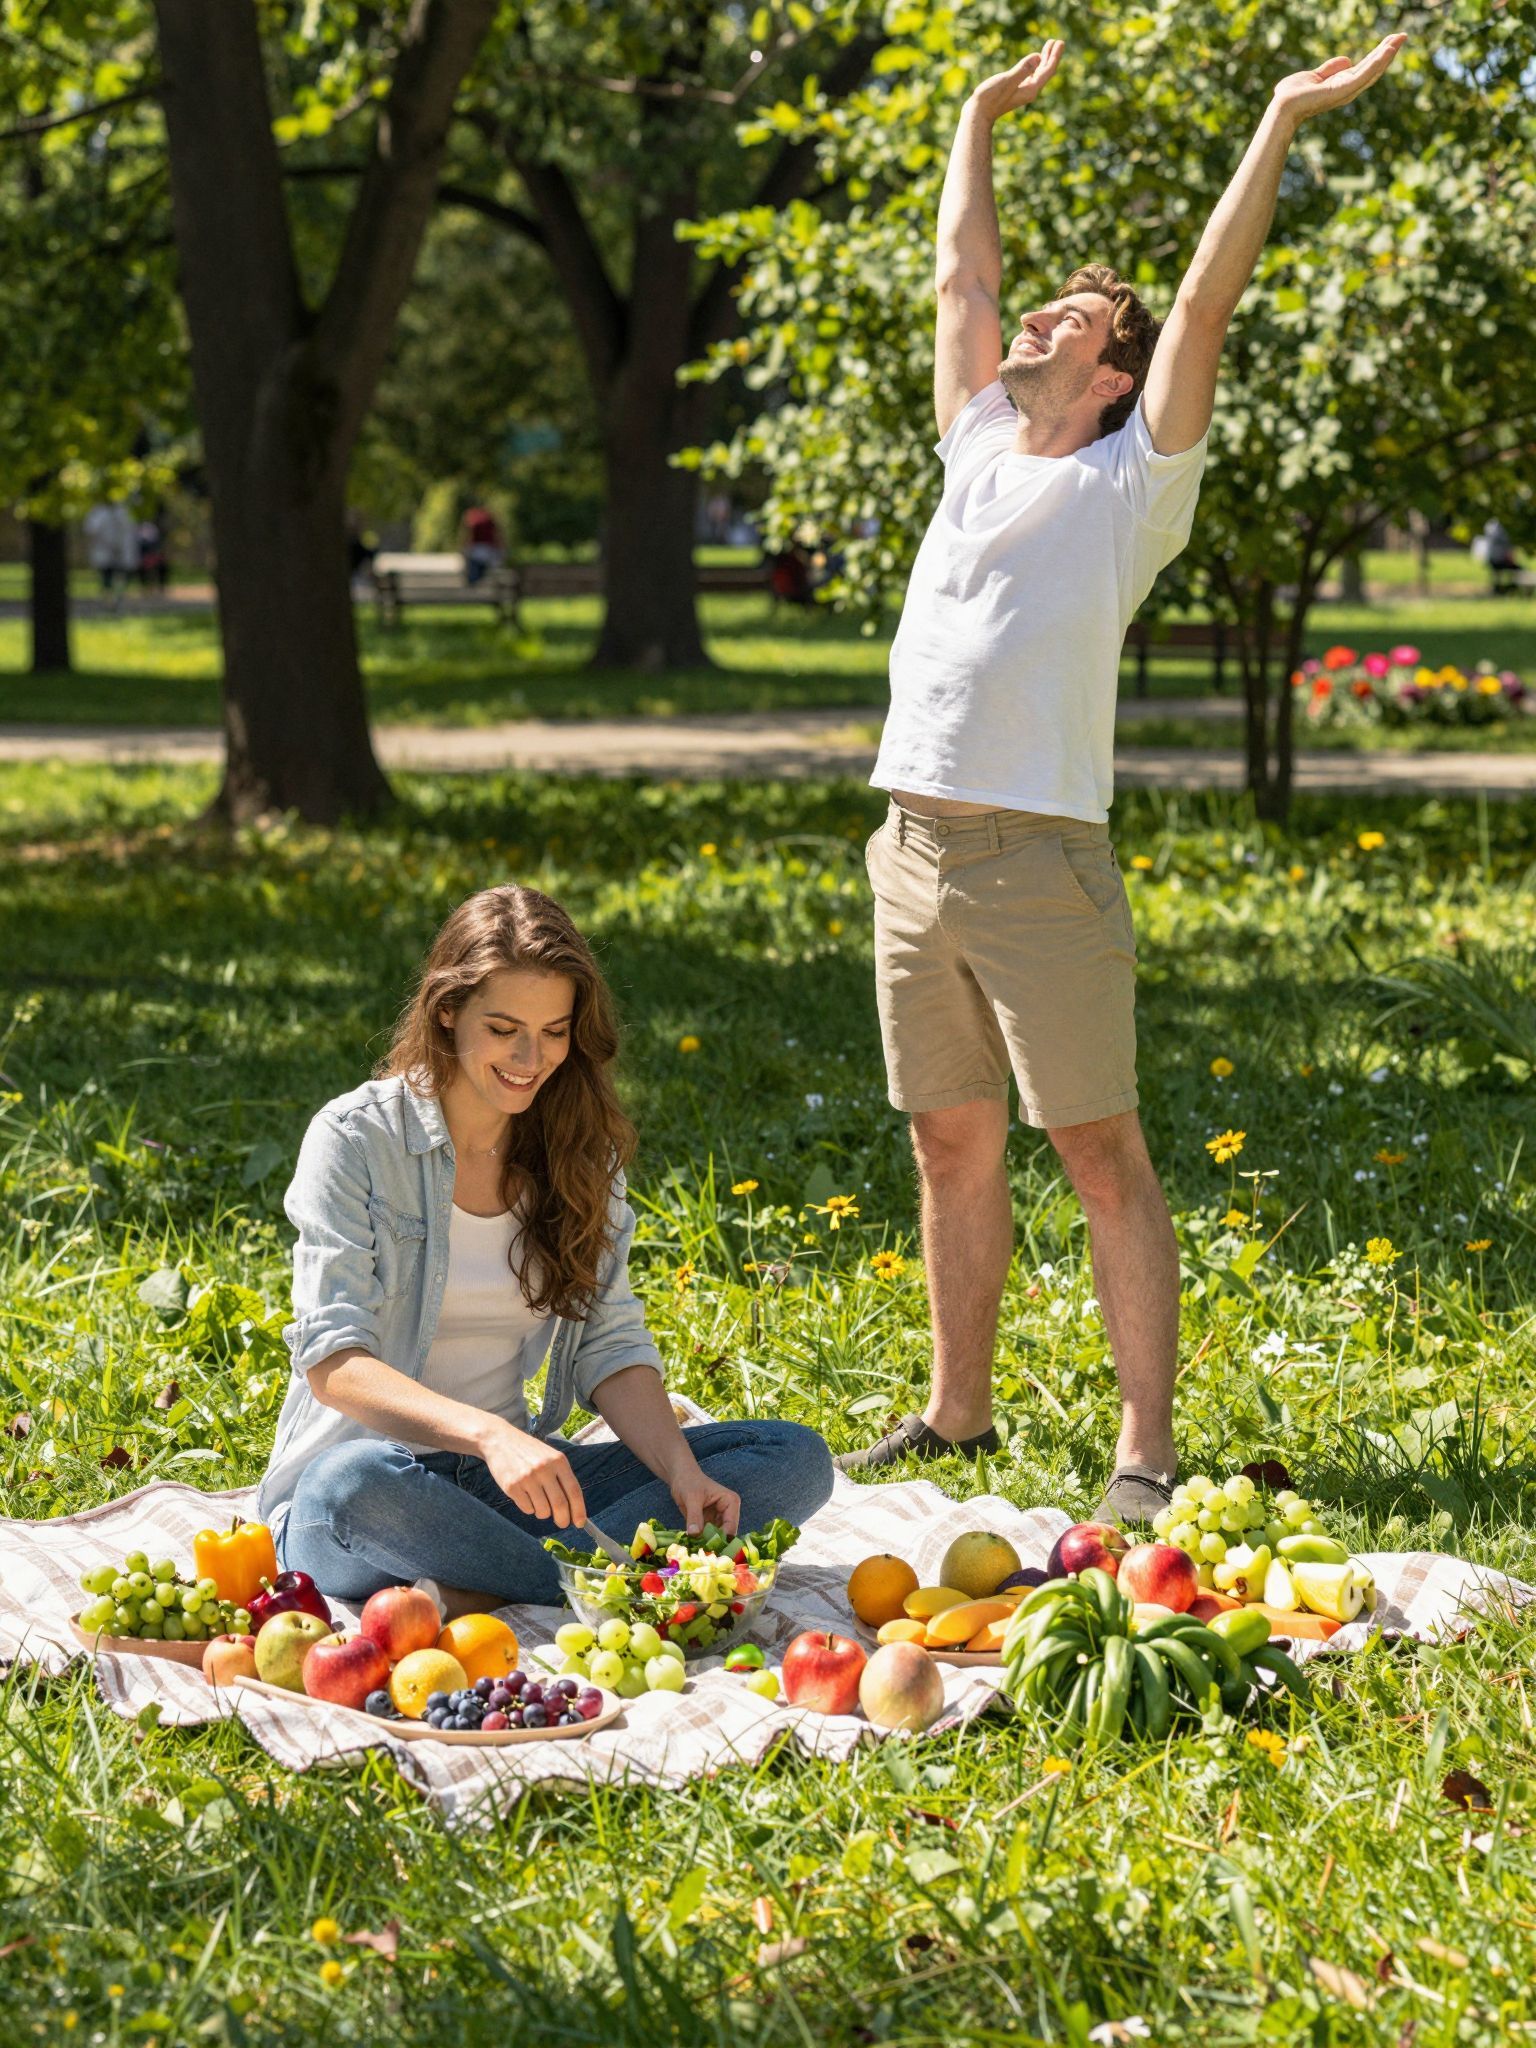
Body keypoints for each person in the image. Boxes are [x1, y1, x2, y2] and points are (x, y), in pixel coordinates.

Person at [838, 34, 1406, 1522]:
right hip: (910, 843)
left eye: (1072, 317)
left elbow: (1209, 293)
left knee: (1097, 1147)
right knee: (948, 1137)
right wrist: (972, 119)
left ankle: (1144, 1453)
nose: (1035, 316)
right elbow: (961, 277)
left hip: (1039, 860)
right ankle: (959, 1417)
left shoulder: (1127, 485)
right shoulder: (975, 440)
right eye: (1046, 303)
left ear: (1112, 376)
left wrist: (1281, 111)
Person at [256, 886, 834, 1607]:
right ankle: (583, 1579)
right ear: (447, 1010)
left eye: (554, 1032)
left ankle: (491, 1582)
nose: (532, 1058)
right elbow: (335, 1364)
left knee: (794, 1460)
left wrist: (680, 1471)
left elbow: (609, 1344)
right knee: (350, 1488)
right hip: (369, 1489)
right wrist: (490, 1436)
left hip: (508, 1491)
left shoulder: (579, 1153)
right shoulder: (355, 1140)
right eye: (503, 1029)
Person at [82, 500, 138, 600]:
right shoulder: (99, 511)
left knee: (121, 575)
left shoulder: (124, 510)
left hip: (121, 550)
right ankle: (109, 598)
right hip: (105, 549)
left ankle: (118, 597)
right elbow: (91, 529)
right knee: (107, 575)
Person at [461, 503, 504, 586]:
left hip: (477, 550)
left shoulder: (471, 517)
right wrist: (501, 549)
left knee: (474, 574)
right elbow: (497, 535)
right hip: (489, 550)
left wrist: (463, 547)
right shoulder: (490, 517)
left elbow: (467, 535)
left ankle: (474, 583)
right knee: (485, 571)